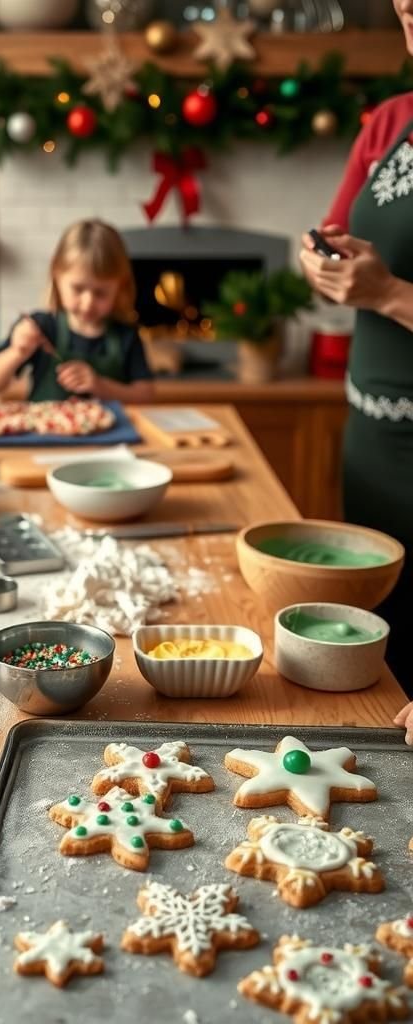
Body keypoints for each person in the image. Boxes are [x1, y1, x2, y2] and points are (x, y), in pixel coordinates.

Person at [299, 0, 413, 719]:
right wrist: (326, 263)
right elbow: (333, 236)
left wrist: (392, 293)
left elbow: (381, 284)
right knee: (380, 652)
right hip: (370, 433)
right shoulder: (390, 120)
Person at [0, 219, 154, 404]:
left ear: (120, 287)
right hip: (44, 431)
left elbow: (146, 396)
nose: (87, 303)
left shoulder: (126, 334)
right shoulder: (42, 327)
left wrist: (100, 386)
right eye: (77, 289)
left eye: (101, 293)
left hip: (112, 432)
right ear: (56, 275)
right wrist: (17, 352)